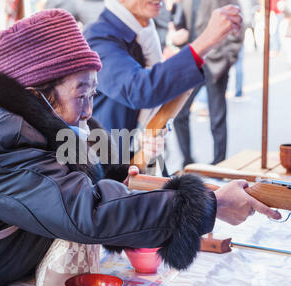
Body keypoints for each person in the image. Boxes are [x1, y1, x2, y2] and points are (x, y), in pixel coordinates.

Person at [0, 9, 280, 286]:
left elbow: (102, 162)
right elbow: (90, 213)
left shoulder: (42, 118)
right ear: (39, 92)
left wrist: (185, 185)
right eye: (83, 94)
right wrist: (206, 207)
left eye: (94, 92)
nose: (90, 108)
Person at [83, 0, 243, 172]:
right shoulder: (98, 36)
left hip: (146, 155)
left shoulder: (146, 29)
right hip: (112, 167)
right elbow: (139, 89)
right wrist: (206, 41)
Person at [169, 0, 244, 166]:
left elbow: (238, 21)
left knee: (217, 116)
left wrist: (228, 57)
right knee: (179, 113)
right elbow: (181, 24)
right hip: (191, 60)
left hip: (216, 61)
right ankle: (187, 161)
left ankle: (219, 163)